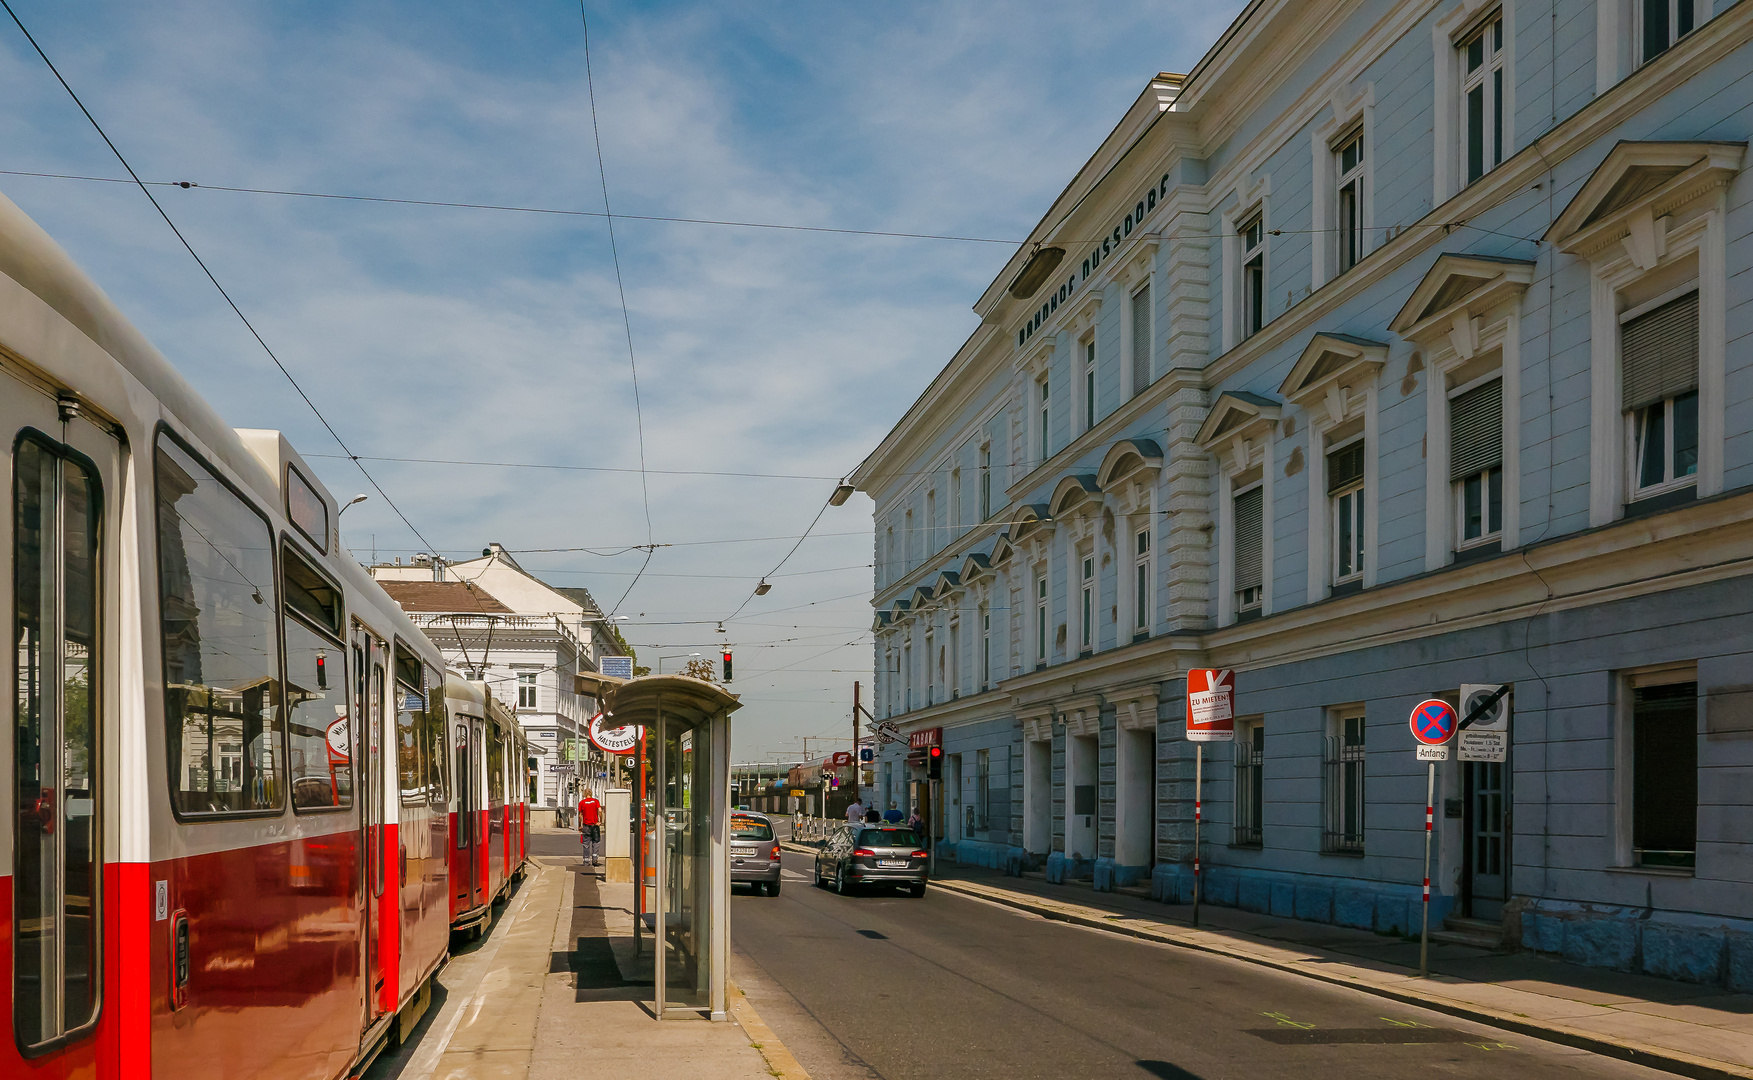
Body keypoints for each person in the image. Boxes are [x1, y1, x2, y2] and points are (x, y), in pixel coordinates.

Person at [578, 791, 603, 865]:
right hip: (595, 825)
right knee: (596, 842)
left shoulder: (582, 802)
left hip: (586, 825)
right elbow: (600, 811)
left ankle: (586, 861)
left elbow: (580, 816)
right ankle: (595, 859)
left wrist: (580, 825)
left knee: (586, 844)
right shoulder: (596, 801)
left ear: (584, 794)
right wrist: (600, 821)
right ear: (591, 794)